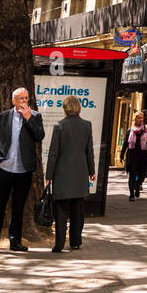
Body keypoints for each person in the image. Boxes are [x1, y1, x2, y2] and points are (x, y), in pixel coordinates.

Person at [0, 87, 45, 255]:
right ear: (13, 101)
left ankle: (15, 242)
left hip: (24, 170)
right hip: (4, 168)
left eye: (26, 98)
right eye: (21, 99)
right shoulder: (2, 117)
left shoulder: (35, 116)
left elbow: (39, 136)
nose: (24, 101)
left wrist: (28, 118)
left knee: (18, 208)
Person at [45, 94, 96, 253]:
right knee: (77, 210)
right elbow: (89, 151)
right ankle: (75, 241)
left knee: (60, 210)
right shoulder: (87, 125)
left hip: (61, 173)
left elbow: (53, 153)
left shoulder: (59, 126)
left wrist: (49, 176)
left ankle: (59, 243)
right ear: (79, 107)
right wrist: (92, 171)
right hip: (80, 173)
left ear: (65, 108)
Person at [120, 111, 147, 201]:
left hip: (143, 156)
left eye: (141, 118)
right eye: (138, 118)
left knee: (142, 175)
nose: (140, 119)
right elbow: (126, 143)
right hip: (132, 156)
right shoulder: (130, 130)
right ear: (135, 119)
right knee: (132, 175)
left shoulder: (146, 129)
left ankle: (137, 186)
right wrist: (122, 154)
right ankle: (131, 194)